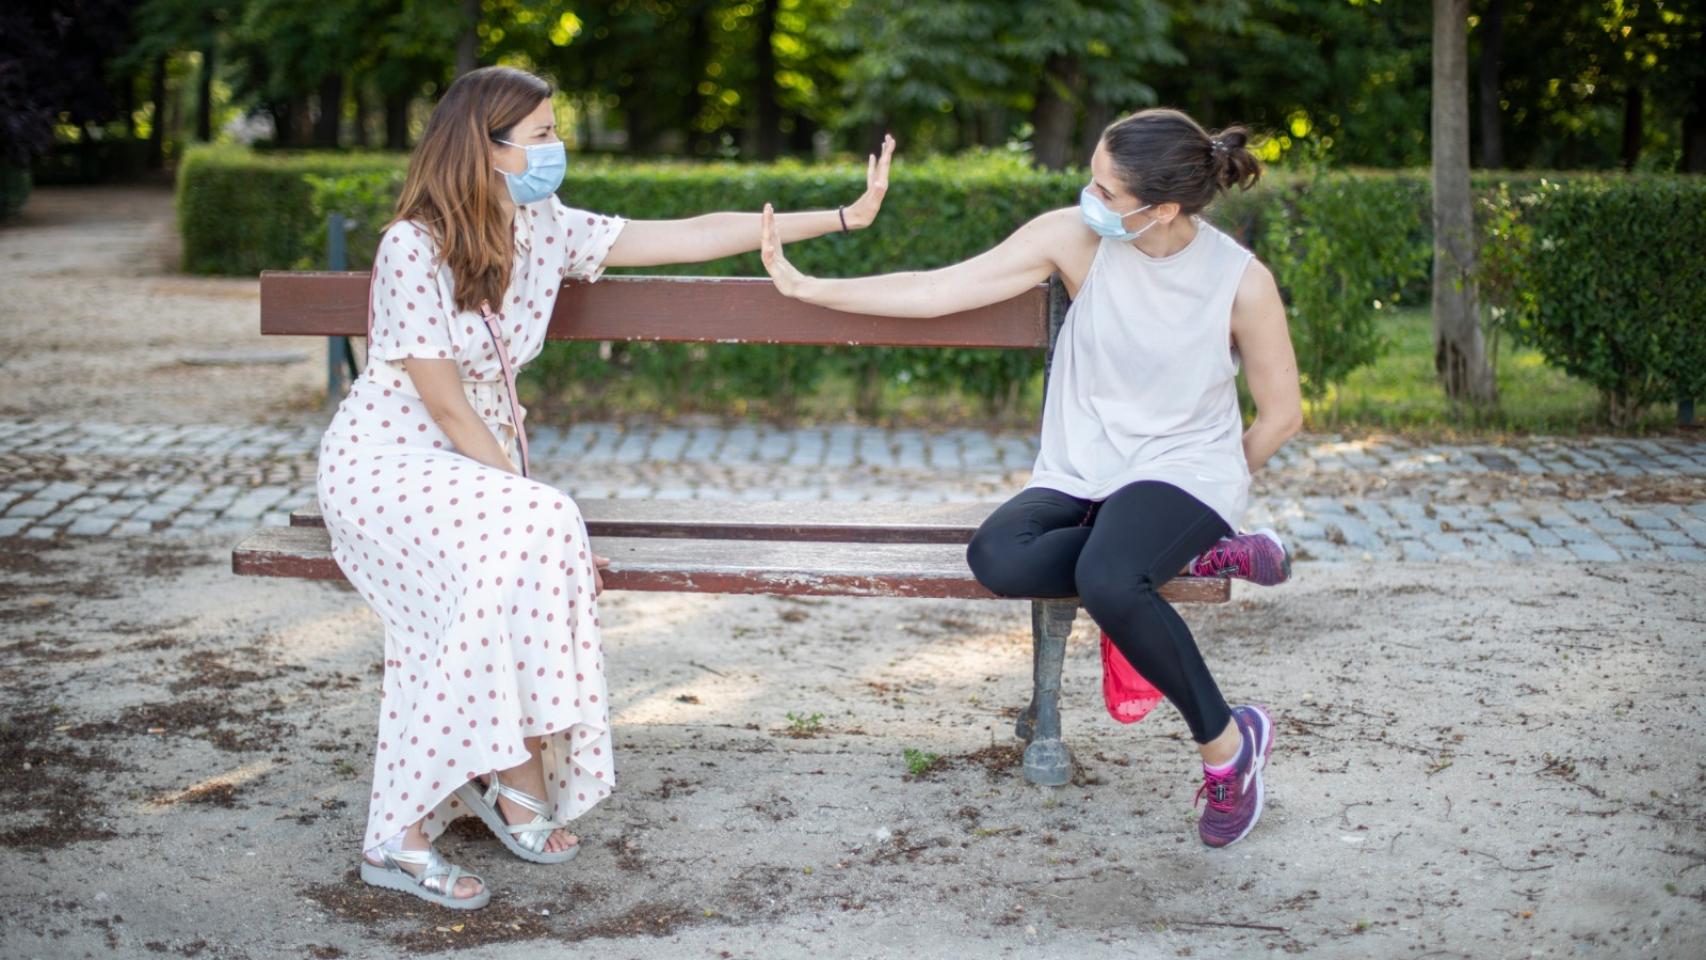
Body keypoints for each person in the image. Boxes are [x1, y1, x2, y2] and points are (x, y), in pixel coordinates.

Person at [322, 65, 896, 908]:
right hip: (388, 464)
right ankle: (400, 831)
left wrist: (844, 215)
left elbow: (693, 232)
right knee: (541, 527)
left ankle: (506, 773)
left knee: (523, 550)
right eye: (544, 135)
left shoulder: (546, 226)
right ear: (486, 150)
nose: (560, 148)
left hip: (471, 473)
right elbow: (443, 405)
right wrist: (531, 511)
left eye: (556, 129)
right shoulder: (413, 244)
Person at [760, 107, 1303, 848]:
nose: (1089, 199)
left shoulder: (1240, 281)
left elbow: (1280, 417)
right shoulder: (1073, 239)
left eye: (1107, 192)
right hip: (1084, 468)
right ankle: (1159, 552)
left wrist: (1202, 506)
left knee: (1113, 580)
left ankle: (1229, 748)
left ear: (1165, 208)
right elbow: (938, 288)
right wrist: (813, 288)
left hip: (1185, 470)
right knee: (999, 557)